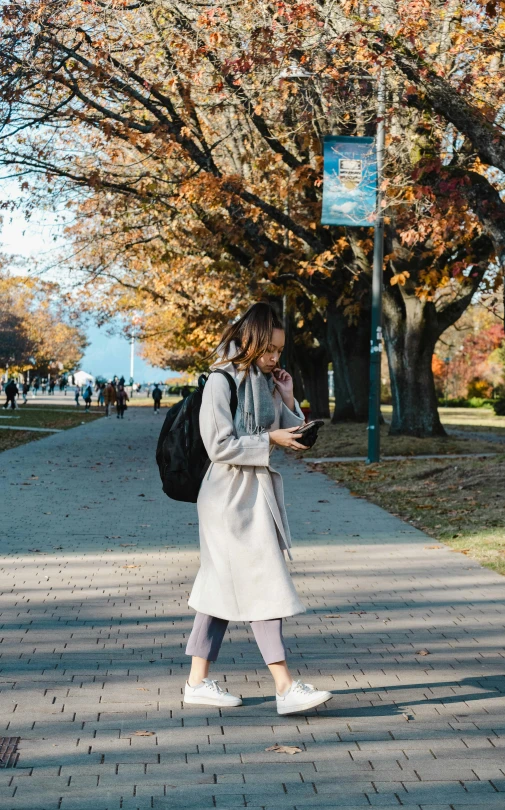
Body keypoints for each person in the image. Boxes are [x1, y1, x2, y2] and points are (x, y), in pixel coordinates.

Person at [183, 302, 333, 715]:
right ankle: (285, 687)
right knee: (262, 581)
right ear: (249, 341)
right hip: (227, 498)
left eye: (280, 351)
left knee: (222, 587)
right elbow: (220, 445)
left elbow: (293, 435)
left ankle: (197, 682)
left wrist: (287, 396)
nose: (275, 358)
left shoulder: (266, 381)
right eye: (270, 349)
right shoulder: (221, 380)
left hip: (255, 494)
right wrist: (269, 441)